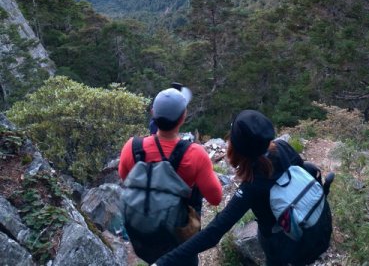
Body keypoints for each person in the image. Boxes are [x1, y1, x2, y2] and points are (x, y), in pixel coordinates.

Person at [152, 109, 332, 266]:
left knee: (270, 240)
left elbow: (214, 232)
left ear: (236, 148)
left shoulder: (252, 186)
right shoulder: (284, 147)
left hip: (286, 248)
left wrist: (163, 262)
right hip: (318, 228)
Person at [118, 86, 223, 265]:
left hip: (144, 235)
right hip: (179, 239)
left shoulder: (133, 147)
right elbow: (215, 197)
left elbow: (124, 177)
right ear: (183, 117)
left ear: (153, 113)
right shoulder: (196, 154)